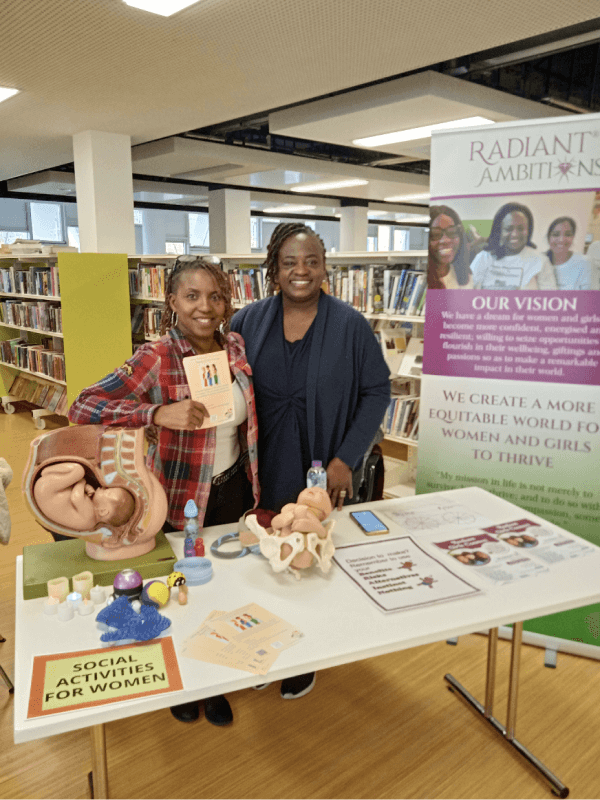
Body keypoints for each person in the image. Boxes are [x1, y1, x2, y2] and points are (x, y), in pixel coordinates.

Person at [68, 256, 259, 728]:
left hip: (233, 489)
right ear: (172, 301)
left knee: (221, 587)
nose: (205, 307)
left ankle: (212, 679)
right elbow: (83, 405)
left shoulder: (233, 346)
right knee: (175, 589)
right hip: (177, 496)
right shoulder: (156, 356)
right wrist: (155, 416)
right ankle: (180, 676)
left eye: (215, 296)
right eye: (192, 296)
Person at [230, 222, 391, 700]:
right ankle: (262, 645)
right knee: (262, 553)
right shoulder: (247, 321)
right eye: (289, 263)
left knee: (307, 554)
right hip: (259, 463)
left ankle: (303, 656)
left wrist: (347, 458)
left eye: (311, 261)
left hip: (320, 466)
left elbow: (377, 390)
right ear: (273, 270)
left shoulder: (350, 325)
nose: (301, 271)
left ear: (325, 268)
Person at [470, 202, 556, 290]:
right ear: (500, 231)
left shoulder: (541, 261)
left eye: (520, 228)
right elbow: (469, 293)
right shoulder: (483, 258)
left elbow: (550, 299)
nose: (515, 234)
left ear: (528, 231)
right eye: (508, 229)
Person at [428, 205, 473, 289]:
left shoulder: (466, 277)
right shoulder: (420, 281)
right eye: (436, 234)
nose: (446, 240)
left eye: (452, 232)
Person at [545, 217, 591, 290]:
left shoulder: (584, 263)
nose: (561, 239)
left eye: (568, 234)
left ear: (573, 237)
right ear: (548, 237)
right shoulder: (539, 261)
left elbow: (588, 297)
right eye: (556, 234)